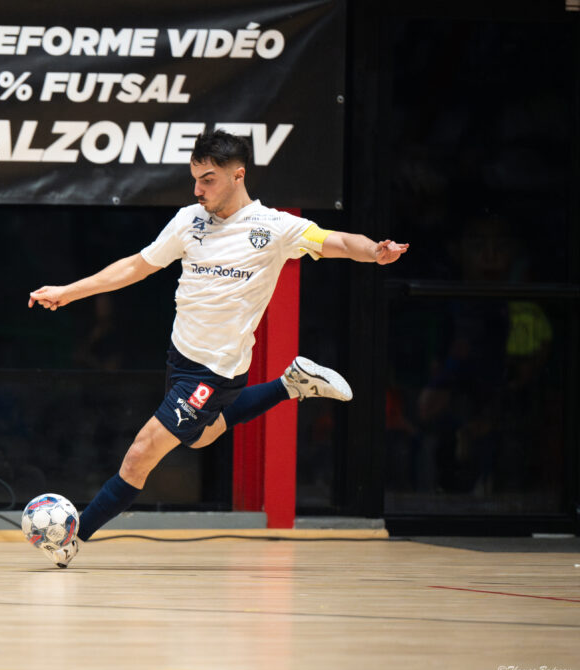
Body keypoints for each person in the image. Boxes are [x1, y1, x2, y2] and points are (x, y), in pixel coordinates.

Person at [28, 130, 408, 567]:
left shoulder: (273, 227)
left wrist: (374, 252)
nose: (198, 189)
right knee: (200, 436)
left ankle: (74, 537)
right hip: (181, 358)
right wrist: (69, 292)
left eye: (207, 179)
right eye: (195, 178)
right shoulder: (189, 220)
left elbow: (337, 241)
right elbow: (137, 265)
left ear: (237, 175)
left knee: (141, 452)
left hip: (216, 369)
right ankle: (290, 384)